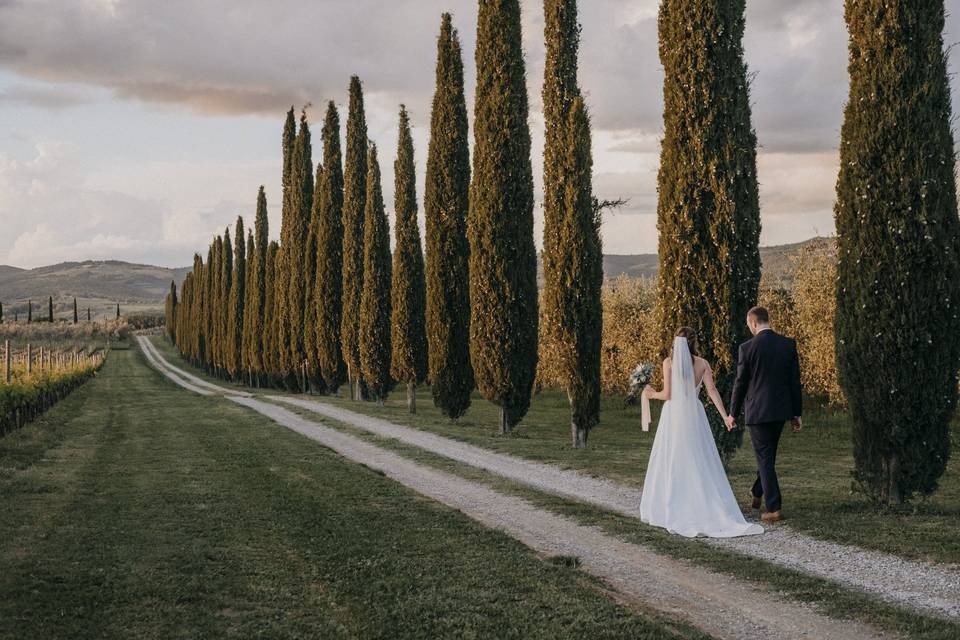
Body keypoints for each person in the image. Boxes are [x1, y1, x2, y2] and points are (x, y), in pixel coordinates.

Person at [640, 328, 763, 538]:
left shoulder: (669, 363)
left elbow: (668, 394)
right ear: (694, 342)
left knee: (672, 457)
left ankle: (672, 504)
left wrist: (650, 393)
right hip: (694, 414)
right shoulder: (703, 363)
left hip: (674, 415)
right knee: (698, 458)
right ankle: (702, 502)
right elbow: (712, 390)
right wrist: (725, 416)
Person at [727, 306, 803, 523]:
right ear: (766, 320)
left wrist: (733, 412)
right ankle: (757, 491)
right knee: (768, 456)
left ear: (752, 323)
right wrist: (796, 413)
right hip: (781, 411)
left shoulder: (747, 348)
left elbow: (740, 384)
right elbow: (794, 382)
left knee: (765, 458)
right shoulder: (788, 345)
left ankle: (774, 507)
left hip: (758, 411)